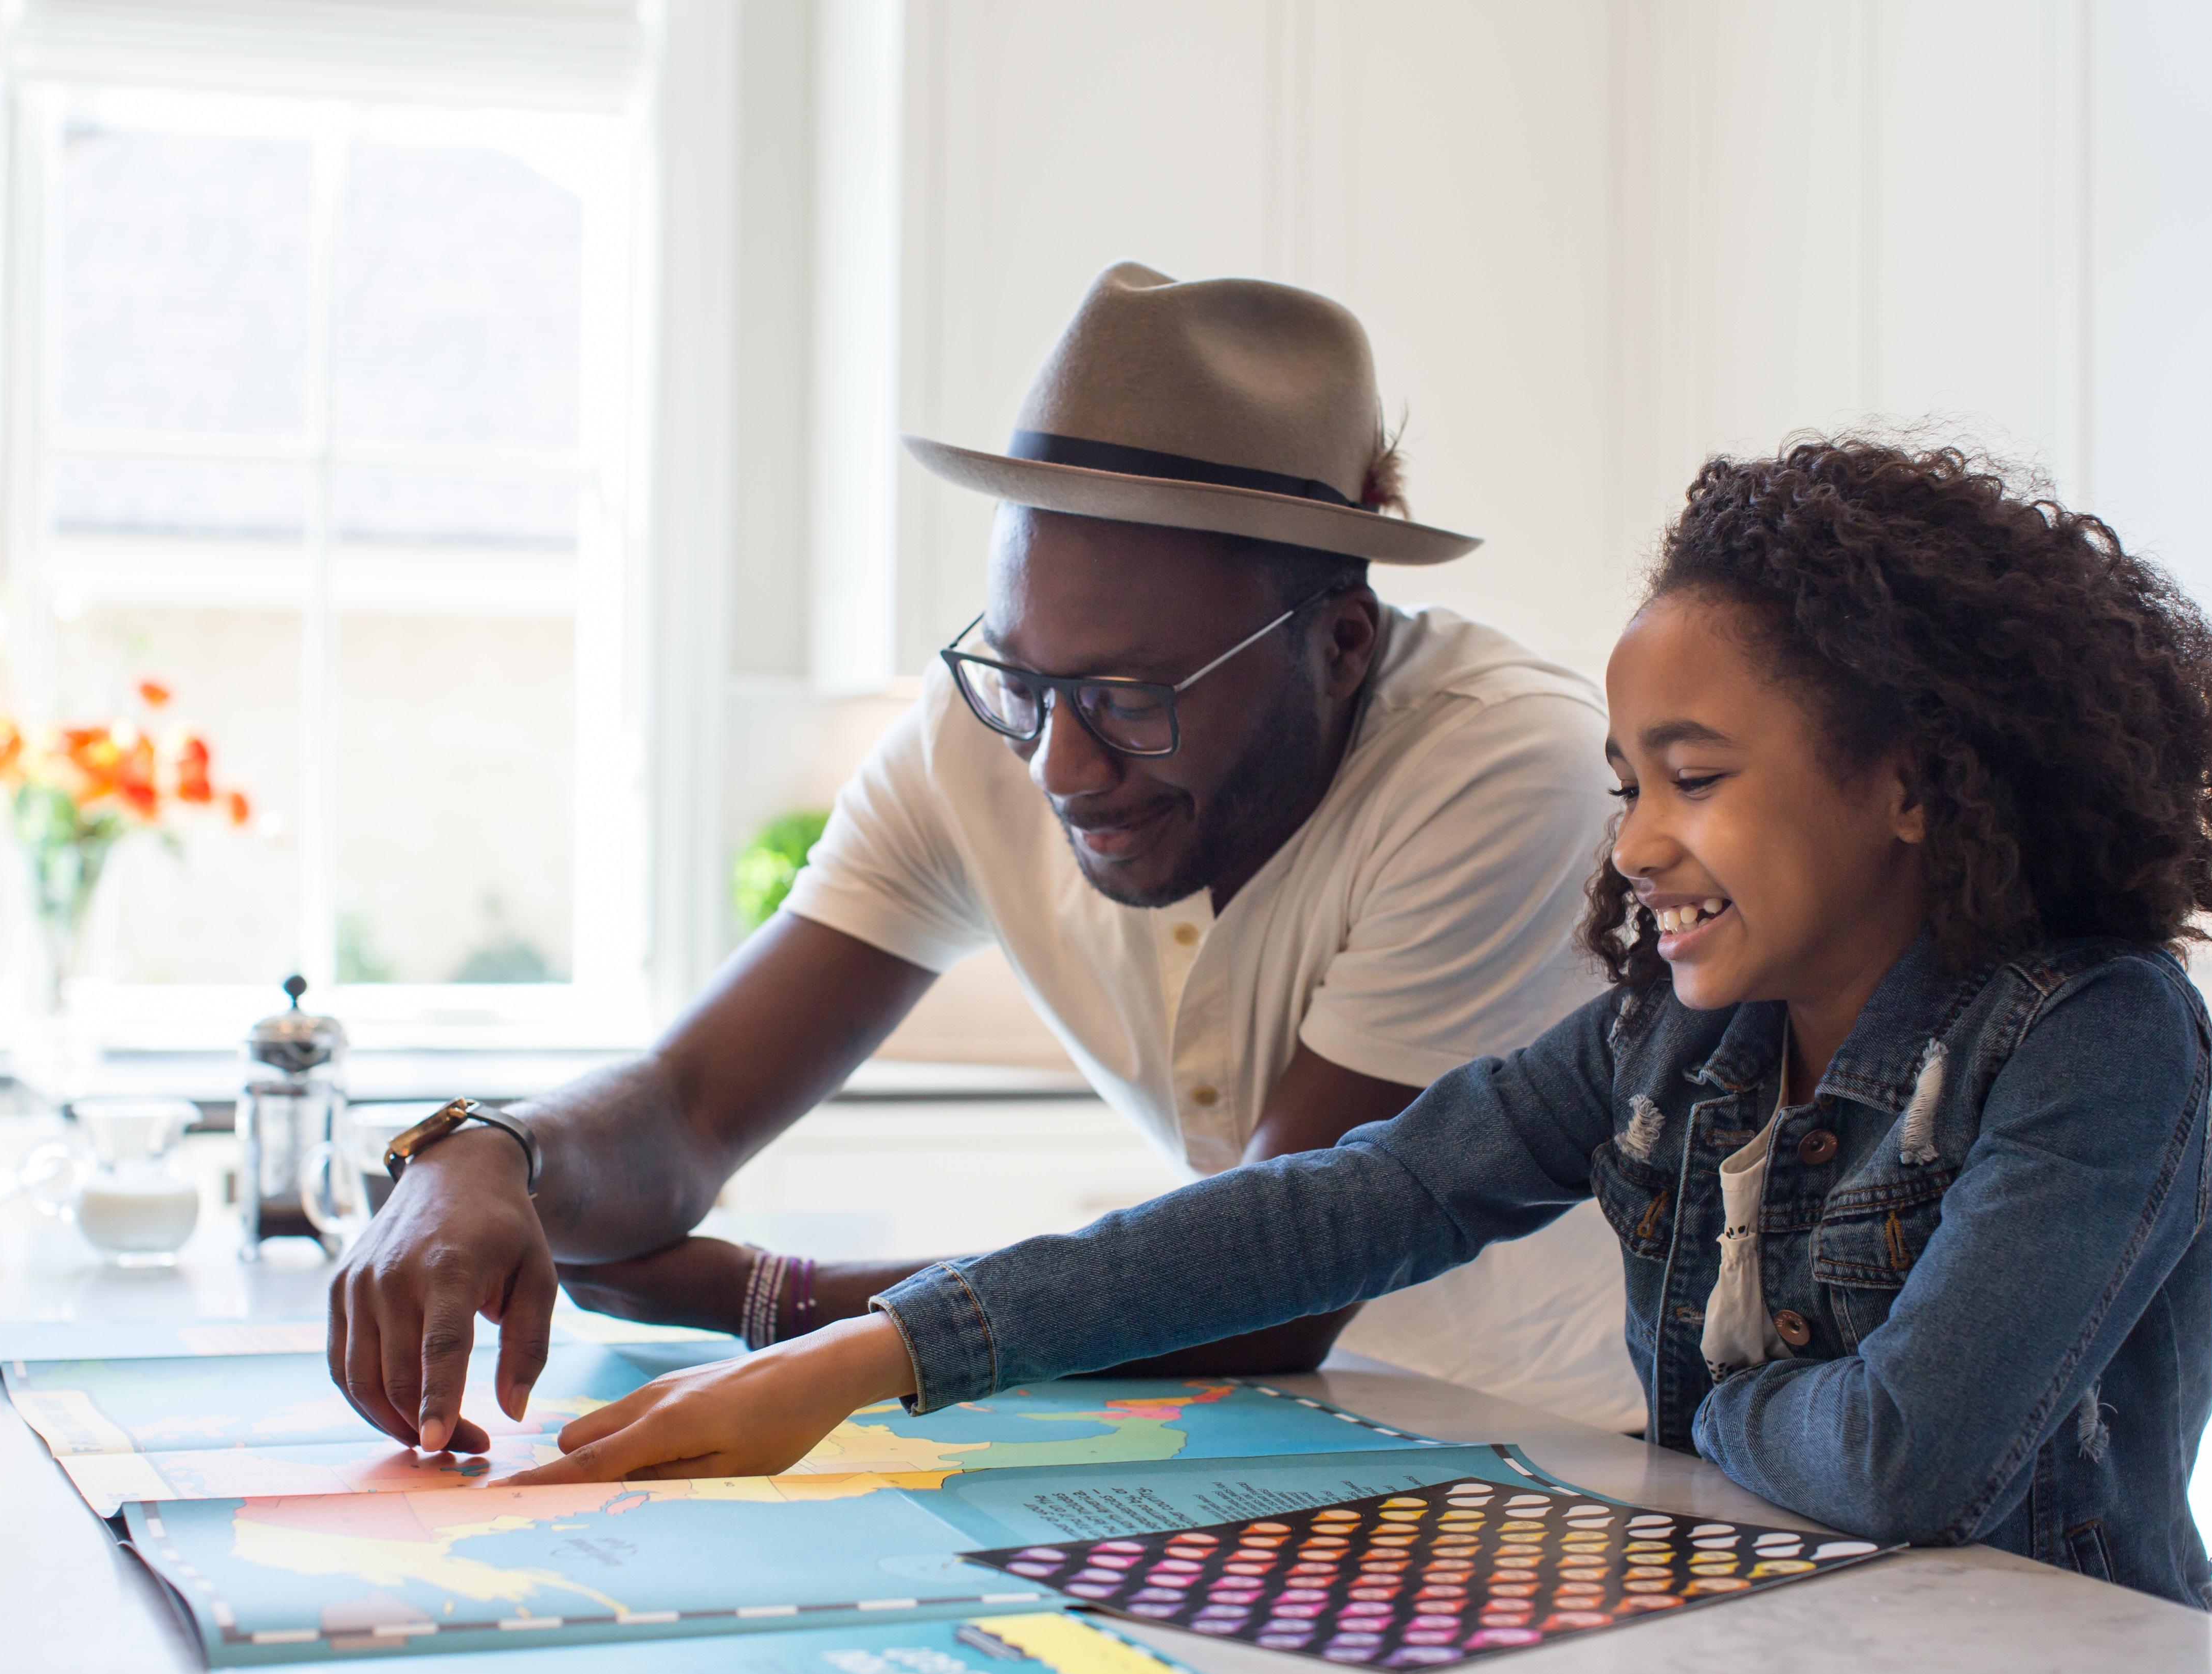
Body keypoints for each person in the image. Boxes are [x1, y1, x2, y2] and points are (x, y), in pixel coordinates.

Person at [512, 439, 2212, 1612]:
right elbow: (1330, 1205)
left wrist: (1718, 1404)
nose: (1638, 841)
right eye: (1629, 782)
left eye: (1697, 780)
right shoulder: (1673, 1043)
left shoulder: (2097, 1037)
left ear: (1911, 785)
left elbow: (1906, 1457)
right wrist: (865, 1358)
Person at [326, 261, 1646, 1456]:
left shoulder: (1505, 769)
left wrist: (761, 1298)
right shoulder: (983, 738)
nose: (1059, 764)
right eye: (1023, 678)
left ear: (1340, 643)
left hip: (1565, 1451)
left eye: (1137, 694)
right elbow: (688, 1105)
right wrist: (490, 1152)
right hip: (1256, 1440)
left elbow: (1269, 1275)